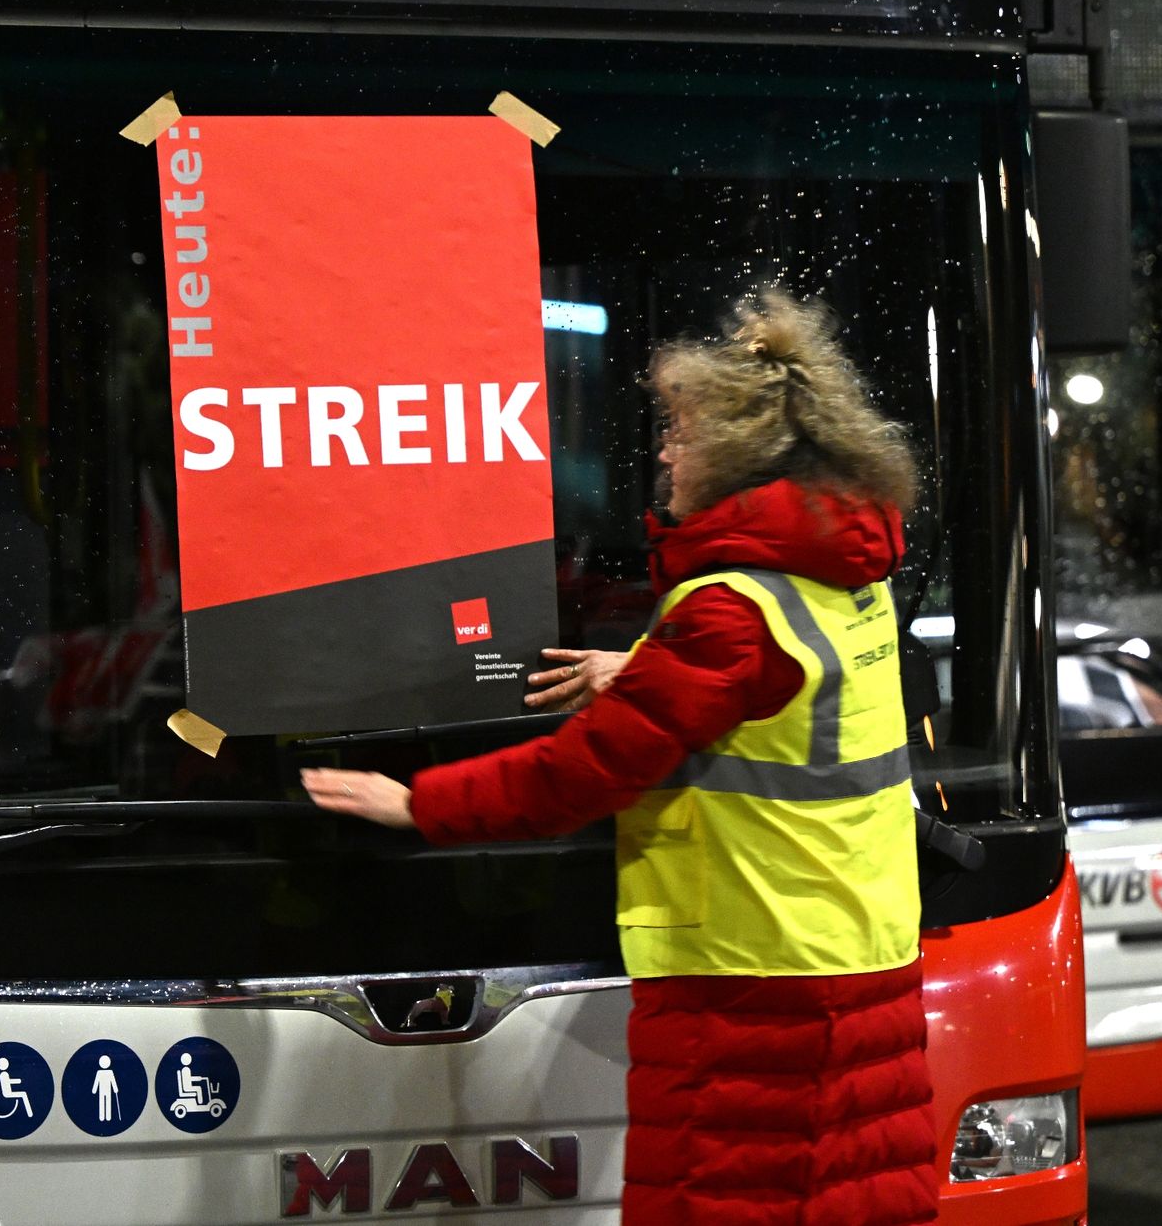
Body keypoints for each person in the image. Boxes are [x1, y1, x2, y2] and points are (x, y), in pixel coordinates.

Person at [303, 288, 938, 1226]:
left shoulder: (729, 611)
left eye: (680, 433)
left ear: (736, 454)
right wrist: (646, 663)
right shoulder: (846, 581)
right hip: (857, 956)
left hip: (751, 985)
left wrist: (418, 804)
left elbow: (577, 776)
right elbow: (783, 696)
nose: (666, 454)